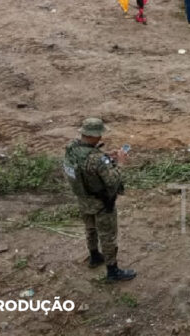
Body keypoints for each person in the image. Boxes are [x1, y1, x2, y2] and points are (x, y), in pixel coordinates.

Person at [63, 118, 136, 283]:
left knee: (90, 229)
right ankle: (113, 271)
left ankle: (94, 256)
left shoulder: (72, 149)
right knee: (107, 236)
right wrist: (121, 163)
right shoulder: (96, 159)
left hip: (83, 199)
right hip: (102, 203)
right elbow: (112, 180)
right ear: (95, 136)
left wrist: (104, 156)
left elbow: (85, 168)